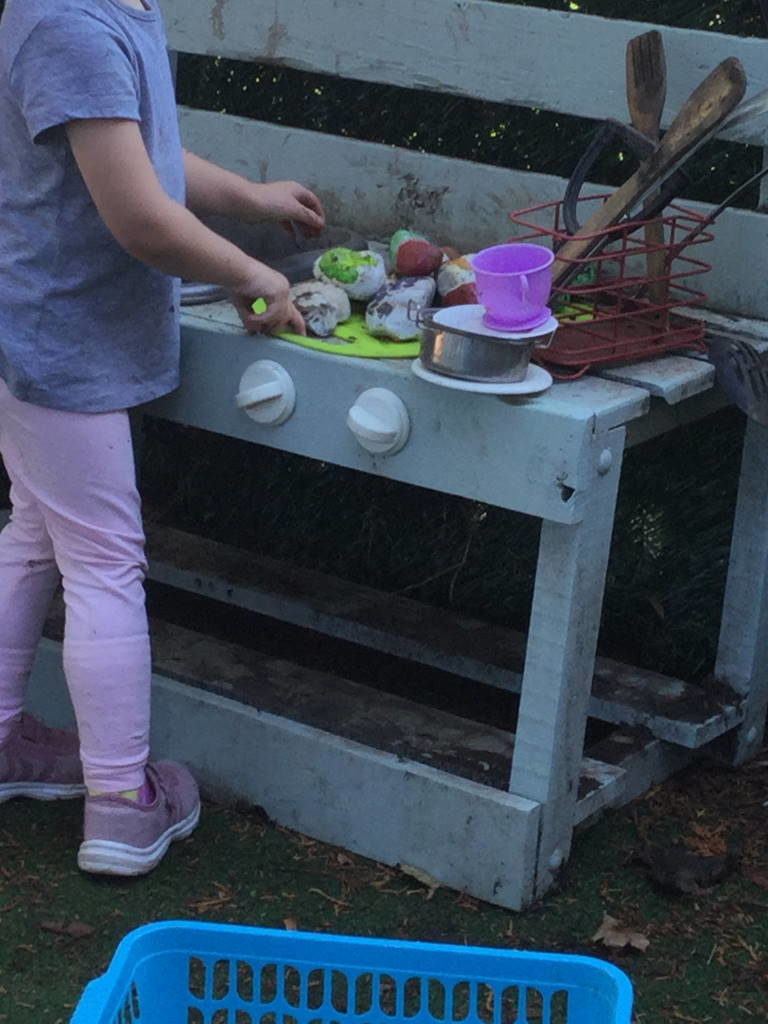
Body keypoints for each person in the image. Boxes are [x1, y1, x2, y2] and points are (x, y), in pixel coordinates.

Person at [0, 0, 326, 876]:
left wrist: (251, 197)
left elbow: (138, 156)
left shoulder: (107, 13)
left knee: (35, 534)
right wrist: (252, 269)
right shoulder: (69, 27)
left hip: (40, 334)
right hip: (57, 342)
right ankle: (121, 805)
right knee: (104, 558)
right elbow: (140, 216)